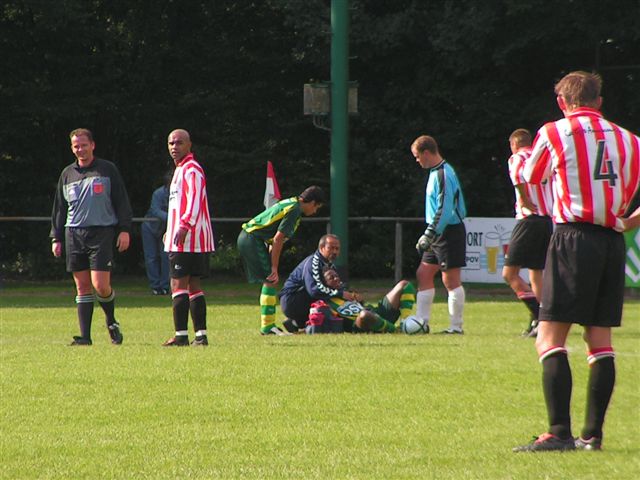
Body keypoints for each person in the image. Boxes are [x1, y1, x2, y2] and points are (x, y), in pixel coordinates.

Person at [513, 71, 640, 452]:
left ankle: (557, 432)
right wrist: (627, 221)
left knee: (550, 338)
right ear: (599, 101)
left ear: (562, 102)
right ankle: (592, 435)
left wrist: (519, 159)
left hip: (572, 238)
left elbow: (531, 177)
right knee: (599, 340)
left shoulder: (554, 132)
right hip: (612, 241)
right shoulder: (631, 141)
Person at [50, 128, 132, 346]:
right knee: (82, 287)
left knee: (101, 285)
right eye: (76, 146)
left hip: (101, 232)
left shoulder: (107, 169)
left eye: (84, 145)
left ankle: (111, 321)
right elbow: (59, 208)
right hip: (74, 233)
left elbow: (121, 200)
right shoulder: (67, 174)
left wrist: (124, 229)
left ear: (92, 145)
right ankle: (85, 337)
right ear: (72, 148)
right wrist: (56, 237)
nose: (80, 149)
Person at [237, 186, 325, 335]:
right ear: (312, 202)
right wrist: (274, 268)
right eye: (317, 207)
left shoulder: (292, 202)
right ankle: (268, 327)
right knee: (271, 279)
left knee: (270, 280)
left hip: (250, 237)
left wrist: (272, 264)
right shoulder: (295, 210)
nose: (315, 211)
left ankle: (268, 326)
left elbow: (274, 240)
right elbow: (278, 239)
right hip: (252, 239)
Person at [162, 129, 215, 347]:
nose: (174, 147)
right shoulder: (181, 169)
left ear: (189, 145)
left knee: (178, 283)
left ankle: (181, 335)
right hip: (193, 236)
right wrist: (171, 228)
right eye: (171, 143)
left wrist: (183, 226)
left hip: (188, 238)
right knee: (194, 284)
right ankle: (200, 336)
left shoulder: (191, 169)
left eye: (179, 143)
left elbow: (193, 201)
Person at [411, 135, 467, 334]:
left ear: (427, 153)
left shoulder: (444, 173)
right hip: (437, 232)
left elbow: (445, 209)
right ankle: (422, 322)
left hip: (448, 231)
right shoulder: (435, 172)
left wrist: (429, 233)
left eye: (418, 157)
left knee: (450, 279)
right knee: (423, 273)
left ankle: (456, 327)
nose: (417, 161)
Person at [502, 128, 553, 337]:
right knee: (536, 272)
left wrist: (522, 196)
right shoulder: (541, 158)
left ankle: (539, 316)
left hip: (528, 220)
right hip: (546, 220)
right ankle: (542, 319)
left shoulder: (517, 157)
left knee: (509, 273)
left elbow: (516, 174)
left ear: (514, 144)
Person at [279, 234, 360, 333]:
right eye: (331, 248)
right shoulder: (313, 262)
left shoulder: (329, 264)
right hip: (291, 300)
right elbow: (314, 290)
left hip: (301, 298)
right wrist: (340, 294)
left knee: (335, 296)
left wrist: (351, 295)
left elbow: (336, 287)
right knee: (330, 298)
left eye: (337, 249)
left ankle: (297, 323)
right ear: (321, 248)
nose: (334, 251)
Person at [321, 268, 416, 333]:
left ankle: (405, 324)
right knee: (364, 315)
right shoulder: (326, 303)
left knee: (404, 284)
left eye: (336, 275)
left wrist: (359, 299)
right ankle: (397, 331)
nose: (336, 278)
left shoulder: (345, 293)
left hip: (376, 312)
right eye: (331, 278)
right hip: (361, 324)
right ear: (324, 284)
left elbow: (361, 304)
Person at [141, 173, 171, 295]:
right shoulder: (158, 194)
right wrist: (174, 218)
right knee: (151, 257)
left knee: (166, 257)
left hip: (166, 228)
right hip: (150, 228)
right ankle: (155, 286)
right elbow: (156, 210)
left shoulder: (180, 194)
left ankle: (164, 286)